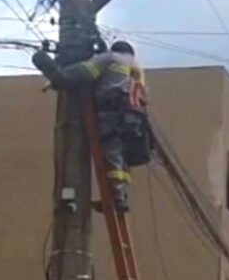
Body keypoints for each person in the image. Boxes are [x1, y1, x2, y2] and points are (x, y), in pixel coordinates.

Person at [32, 38, 150, 211]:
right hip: (134, 118)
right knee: (121, 157)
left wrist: (51, 69)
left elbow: (82, 73)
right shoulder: (137, 69)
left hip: (112, 112)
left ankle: (115, 198)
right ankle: (120, 195)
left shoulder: (111, 58)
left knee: (110, 151)